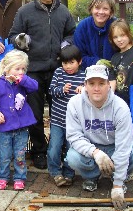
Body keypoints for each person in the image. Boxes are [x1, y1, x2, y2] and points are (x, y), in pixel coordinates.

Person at [9, 0, 76, 169]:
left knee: (61, 113)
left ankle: (62, 147)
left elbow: (71, 32)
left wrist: (65, 45)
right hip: (33, 71)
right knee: (35, 114)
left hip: (58, 70)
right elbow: (13, 35)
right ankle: (39, 150)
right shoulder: (25, 12)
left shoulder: (63, 11)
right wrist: (21, 40)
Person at [66, 64, 133, 210]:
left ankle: (117, 176)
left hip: (115, 145)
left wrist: (117, 185)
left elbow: (124, 145)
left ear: (109, 85)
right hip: (91, 147)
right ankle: (92, 177)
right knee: (72, 157)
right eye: (91, 84)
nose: (96, 88)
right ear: (85, 85)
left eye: (101, 83)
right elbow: (73, 136)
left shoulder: (120, 107)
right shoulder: (74, 103)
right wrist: (95, 152)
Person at [0, 50, 38, 191]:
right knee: (4, 155)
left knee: (20, 154)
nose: (20, 72)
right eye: (17, 68)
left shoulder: (23, 82)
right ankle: (3, 177)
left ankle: (19, 177)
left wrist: (22, 79)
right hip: (5, 127)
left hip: (22, 127)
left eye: (23, 68)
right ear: (6, 67)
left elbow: (35, 86)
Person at [47, 45, 85, 187]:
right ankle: (55, 172)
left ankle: (69, 173)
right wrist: (62, 90)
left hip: (74, 123)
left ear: (79, 62)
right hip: (57, 119)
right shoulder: (58, 73)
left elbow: (89, 97)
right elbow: (51, 91)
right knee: (55, 147)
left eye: (71, 63)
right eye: (64, 63)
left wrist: (84, 90)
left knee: (71, 148)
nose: (67, 66)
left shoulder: (83, 76)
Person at [74, 0, 116, 69]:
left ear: (111, 11)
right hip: (89, 72)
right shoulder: (82, 27)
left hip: (113, 71)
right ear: (91, 9)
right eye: (97, 8)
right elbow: (78, 55)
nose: (101, 12)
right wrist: (96, 62)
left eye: (105, 9)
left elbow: (126, 51)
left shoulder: (117, 26)